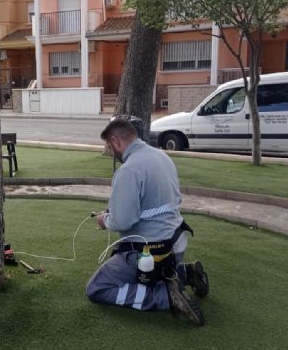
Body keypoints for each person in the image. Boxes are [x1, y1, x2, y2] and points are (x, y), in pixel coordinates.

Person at [86, 118, 209, 326]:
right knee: (148, 274)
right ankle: (186, 273)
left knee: (97, 288)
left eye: (109, 145)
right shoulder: (162, 156)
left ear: (116, 141)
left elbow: (123, 221)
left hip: (150, 255)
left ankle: (167, 297)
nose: (111, 151)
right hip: (176, 245)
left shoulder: (128, 170)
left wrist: (104, 220)